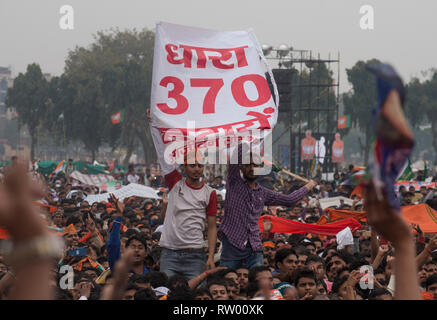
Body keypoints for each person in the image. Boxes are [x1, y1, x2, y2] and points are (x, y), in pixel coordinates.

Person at [218, 143, 317, 270]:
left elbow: (290, 200)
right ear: (241, 168)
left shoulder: (263, 193)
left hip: (254, 247)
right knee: (227, 281)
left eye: (256, 165)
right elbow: (237, 156)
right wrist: (249, 137)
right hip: (232, 246)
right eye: (248, 164)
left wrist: (308, 186)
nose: (252, 168)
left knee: (260, 281)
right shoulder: (234, 182)